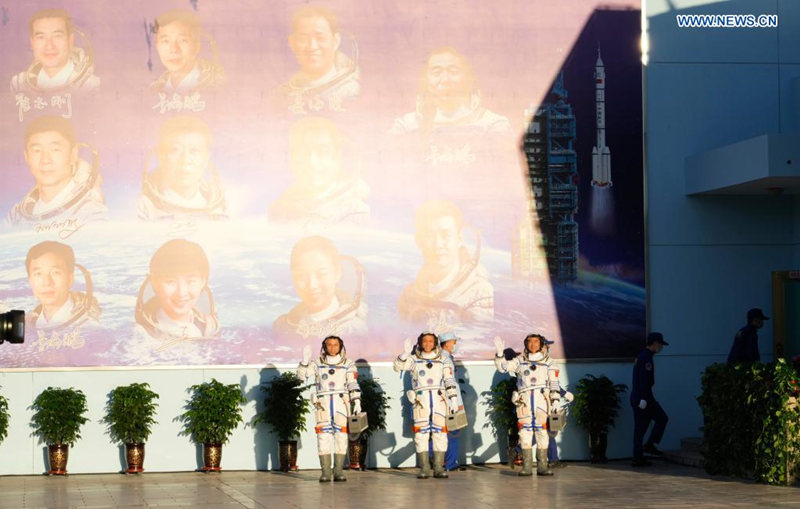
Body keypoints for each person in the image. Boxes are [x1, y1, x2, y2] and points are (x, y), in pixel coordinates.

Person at [397, 200, 493, 324]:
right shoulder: (409, 295)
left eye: (446, 235)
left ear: (459, 240)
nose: (438, 244)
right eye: (429, 236)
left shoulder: (480, 296)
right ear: (418, 241)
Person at [7, 116, 107, 225]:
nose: (45, 160)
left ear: (73, 154)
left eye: (55, 150)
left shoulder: (91, 213)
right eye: (37, 150)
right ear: (26, 157)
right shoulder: (16, 216)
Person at [268, 117, 369, 224]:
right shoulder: (279, 209)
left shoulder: (356, 213)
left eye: (322, 152)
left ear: (337, 158)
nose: (311, 162)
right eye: (302, 152)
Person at [391, 46, 510, 136]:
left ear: (467, 78)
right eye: (436, 73)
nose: (445, 80)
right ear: (426, 80)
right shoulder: (406, 127)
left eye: (453, 71)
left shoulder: (492, 125)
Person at [394, 332, 460, 479]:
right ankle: (424, 467)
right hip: (421, 401)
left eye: (431, 341)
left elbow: (449, 380)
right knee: (421, 434)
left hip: (439, 400)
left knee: (440, 434)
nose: (428, 344)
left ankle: (438, 467)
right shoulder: (414, 359)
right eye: (425, 341)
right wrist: (404, 353)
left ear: (435, 343)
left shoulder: (443, 359)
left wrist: (453, 399)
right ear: (420, 343)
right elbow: (397, 367)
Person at [273, 236, 367, 339]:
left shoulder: (353, 330)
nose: (312, 285)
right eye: (301, 276)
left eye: (321, 275)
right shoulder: (283, 327)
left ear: (337, 273)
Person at [493, 333, 560, 476]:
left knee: (542, 432)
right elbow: (503, 368)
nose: (532, 344)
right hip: (524, 402)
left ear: (541, 344)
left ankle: (542, 466)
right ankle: (527, 466)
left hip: (542, 401)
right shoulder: (520, 361)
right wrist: (499, 354)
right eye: (529, 342)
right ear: (525, 344)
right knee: (525, 433)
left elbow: (554, 383)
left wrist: (555, 401)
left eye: (536, 342)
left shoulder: (549, 362)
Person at [297, 335, 362, 482]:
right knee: (323, 437)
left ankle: (338, 471)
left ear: (341, 346)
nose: (332, 348)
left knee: (341, 437)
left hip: (341, 403)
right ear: (324, 347)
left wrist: (356, 401)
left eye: (335, 345)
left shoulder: (348, 364)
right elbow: (301, 377)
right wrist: (305, 361)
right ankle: (325, 471)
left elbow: (353, 383)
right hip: (323, 404)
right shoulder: (317, 363)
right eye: (329, 345)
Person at [137, 116, 227, 221]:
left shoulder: (220, 208)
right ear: (161, 156)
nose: (185, 160)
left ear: (206, 158)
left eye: (194, 151)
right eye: (175, 150)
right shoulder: (144, 206)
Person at [280, 5, 360, 114]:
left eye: (320, 38)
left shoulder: (352, 92)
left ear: (335, 41)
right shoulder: (282, 94)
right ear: (292, 43)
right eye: (303, 38)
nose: (312, 46)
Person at [134, 239, 220, 341]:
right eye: (170, 281)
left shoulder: (209, 327)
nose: (181, 293)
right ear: (154, 282)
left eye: (190, 281)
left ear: (203, 281)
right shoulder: (142, 336)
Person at [11, 8, 100, 93]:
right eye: (41, 37)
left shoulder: (91, 86)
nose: (49, 46)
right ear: (32, 43)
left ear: (70, 40)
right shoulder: (19, 86)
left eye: (57, 36)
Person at [25, 241, 101, 332]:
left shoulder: (89, 326)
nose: (46, 282)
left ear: (70, 278)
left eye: (55, 272)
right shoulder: (28, 324)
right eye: (38, 274)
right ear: (30, 280)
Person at [150, 9, 226, 95]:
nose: (174, 49)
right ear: (157, 46)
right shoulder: (153, 91)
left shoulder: (216, 87)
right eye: (166, 41)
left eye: (182, 40)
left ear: (197, 46)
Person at [631, 332, 670, 467]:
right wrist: (643, 398)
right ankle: (647, 447)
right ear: (655, 343)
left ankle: (639, 455)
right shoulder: (646, 358)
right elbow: (644, 380)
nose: (660, 347)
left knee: (640, 429)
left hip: (642, 397)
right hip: (644, 398)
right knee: (661, 419)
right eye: (660, 344)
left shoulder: (643, 355)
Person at [439, 331, 465, 471]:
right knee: (452, 432)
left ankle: (448, 461)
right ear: (447, 343)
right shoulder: (445, 358)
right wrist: (454, 402)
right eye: (454, 342)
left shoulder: (447, 357)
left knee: (448, 432)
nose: (455, 345)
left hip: (452, 399)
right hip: (450, 401)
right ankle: (449, 462)